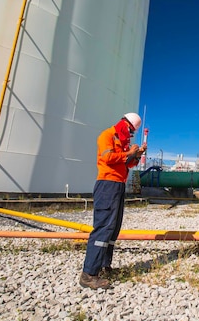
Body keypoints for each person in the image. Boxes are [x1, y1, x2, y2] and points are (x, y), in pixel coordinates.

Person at [79, 112, 146, 289]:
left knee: (113, 228)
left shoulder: (124, 143)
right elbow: (107, 158)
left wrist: (136, 155)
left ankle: (103, 265)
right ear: (124, 124)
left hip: (118, 185)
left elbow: (127, 164)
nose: (130, 135)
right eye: (131, 131)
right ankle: (89, 274)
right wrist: (129, 153)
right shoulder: (107, 136)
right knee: (103, 227)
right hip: (107, 184)